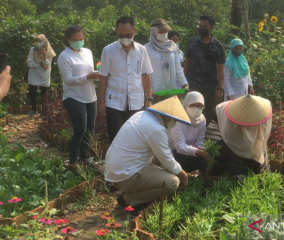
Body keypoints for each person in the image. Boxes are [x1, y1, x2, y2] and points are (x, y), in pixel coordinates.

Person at [105, 96, 190, 215]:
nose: (174, 123)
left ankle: (151, 186)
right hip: (125, 175)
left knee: (163, 160)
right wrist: (184, 176)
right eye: (173, 120)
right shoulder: (156, 129)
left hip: (115, 167)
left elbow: (165, 154)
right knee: (172, 183)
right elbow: (168, 161)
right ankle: (128, 200)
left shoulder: (142, 115)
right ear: (166, 116)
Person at [98, 17, 153, 145]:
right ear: (116, 31)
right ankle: (115, 165)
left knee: (134, 138)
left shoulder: (141, 50)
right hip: (114, 102)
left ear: (135, 31)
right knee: (116, 138)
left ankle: (133, 165)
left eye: (128, 34)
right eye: (121, 35)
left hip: (136, 102)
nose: (125, 38)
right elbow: (103, 77)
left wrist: (149, 99)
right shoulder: (108, 50)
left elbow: (145, 76)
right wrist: (101, 102)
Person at [57, 25, 99, 166]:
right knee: (79, 130)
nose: (79, 42)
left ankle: (84, 158)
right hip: (74, 98)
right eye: (75, 39)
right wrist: (88, 77)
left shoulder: (87, 52)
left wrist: (97, 74)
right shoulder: (64, 57)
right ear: (68, 40)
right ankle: (73, 162)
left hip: (90, 96)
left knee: (89, 130)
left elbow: (90, 71)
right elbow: (68, 80)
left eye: (81, 39)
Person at [205, 95, 272, 175]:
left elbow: (259, 141)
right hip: (221, 124)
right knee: (225, 151)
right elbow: (231, 140)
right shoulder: (228, 120)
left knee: (255, 147)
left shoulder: (263, 107)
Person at [184, 15, 225, 124]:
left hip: (210, 85)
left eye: (205, 26)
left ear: (212, 27)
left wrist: (221, 88)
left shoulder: (218, 46)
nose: (201, 28)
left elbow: (221, 69)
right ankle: (191, 134)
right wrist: (183, 82)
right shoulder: (192, 42)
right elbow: (187, 62)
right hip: (193, 83)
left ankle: (206, 137)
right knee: (192, 109)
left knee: (209, 111)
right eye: (200, 25)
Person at [144, 19, 188, 104]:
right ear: (153, 32)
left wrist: (185, 83)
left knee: (169, 115)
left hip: (170, 90)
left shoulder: (172, 46)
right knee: (155, 116)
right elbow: (143, 72)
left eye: (165, 31)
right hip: (154, 91)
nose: (163, 34)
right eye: (160, 31)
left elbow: (177, 67)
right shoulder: (146, 48)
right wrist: (148, 91)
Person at [168, 92, 211, 173]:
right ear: (187, 103)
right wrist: (198, 152)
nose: (196, 108)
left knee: (203, 161)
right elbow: (179, 146)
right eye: (193, 105)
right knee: (180, 158)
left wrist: (201, 150)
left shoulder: (202, 120)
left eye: (199, 106)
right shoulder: (177, 119)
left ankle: (193, 172)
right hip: (174, 151)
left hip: (190, 151)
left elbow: (200, 140)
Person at [27, 34, 56, 115]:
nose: (38, 43)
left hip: (44, 74)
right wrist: (39, 64)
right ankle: (33, 109)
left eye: (40, 41)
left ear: (44, 41)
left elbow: (47, 64)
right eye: (37, 41)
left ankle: (44, 111)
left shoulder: (49, 51)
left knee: (45, 94)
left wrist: (44, 56)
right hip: (34, 74)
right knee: (32, 93)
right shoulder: (33, 50)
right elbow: (29, 62)